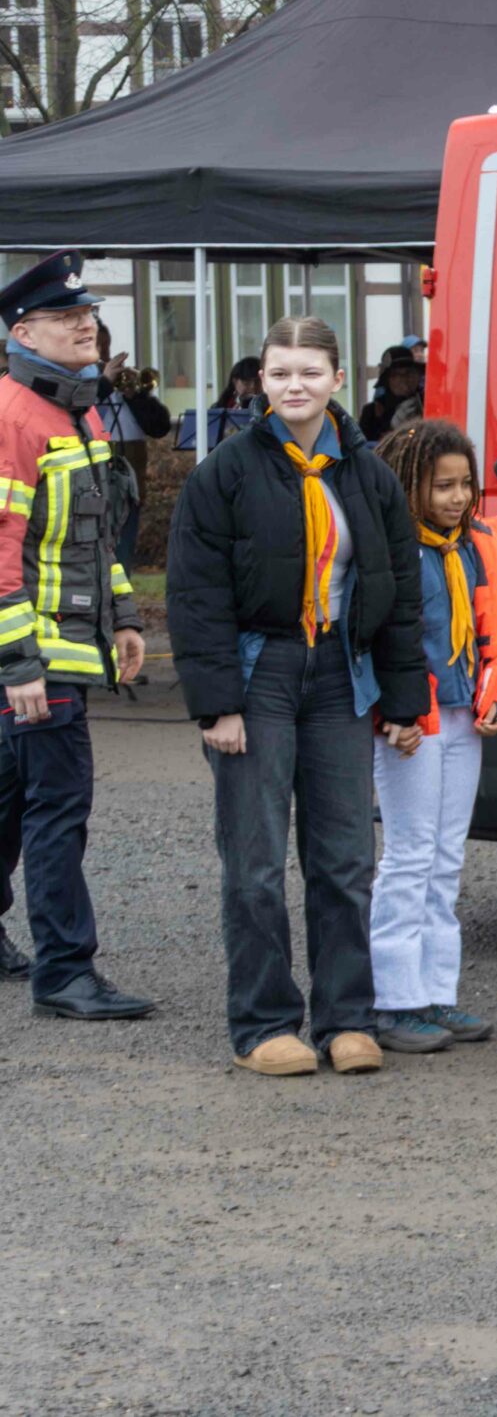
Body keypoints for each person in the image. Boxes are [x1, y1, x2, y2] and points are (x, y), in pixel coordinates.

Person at [168, 316, 428, 1077]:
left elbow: (399, 592)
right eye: (280, 372)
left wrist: (403, 700)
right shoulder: (225, 471)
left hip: (340, 674)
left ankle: (347, 1019)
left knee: (345, 858)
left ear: (338, 379)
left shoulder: (368, 474)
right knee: (254, 862)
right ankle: (264, 1024)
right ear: (262, 381)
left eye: (310, 372)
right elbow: (195, 594)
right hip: (260, 674)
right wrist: (217, 703)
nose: (294, 386)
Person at [0, 251, 152, 1019]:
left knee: (12, 797)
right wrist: (19, 664)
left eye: (86, 312)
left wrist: (124, 615)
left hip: (58, 651)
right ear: (22, 332)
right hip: (37, 659)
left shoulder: (76, 409)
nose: (84, 324)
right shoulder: (16, 416)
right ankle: (64, 971)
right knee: (57, 809)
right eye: (64, 316)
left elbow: (94, 539)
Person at [368, 419, 497, 1054]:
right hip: (413, 723)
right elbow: (378, 638)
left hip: (463, 717)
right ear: (409, 485)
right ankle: (393, 1001)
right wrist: (393, 715)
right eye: (442, 486)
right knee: (409, 857)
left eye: (465, 484)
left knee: (445, 858)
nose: (458, 498)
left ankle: (434, 994)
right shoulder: (392, 546)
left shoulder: (478, 541)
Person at [92, 321, 171, 576]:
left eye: (106, 346)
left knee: (124, 552)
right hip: (94, 484)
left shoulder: (127, 388)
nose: (103, 353)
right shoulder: (82, 383)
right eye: (97, 346)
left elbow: (160, 427)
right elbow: (79, 410)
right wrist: (104, 383)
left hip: (129, 482)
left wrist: (135, 396)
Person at [358, 339, 425, 444]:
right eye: (396, 374)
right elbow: (364, 448)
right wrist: (395, 431)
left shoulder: (426, 404)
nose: (405, 379)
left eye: (409, 373)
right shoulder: (372, 413)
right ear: (387, 380)